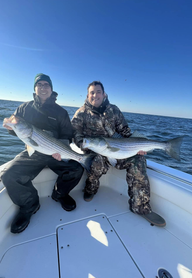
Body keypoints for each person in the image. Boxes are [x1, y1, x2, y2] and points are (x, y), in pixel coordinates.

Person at [71, 81, 166, 227]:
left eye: (98, 91)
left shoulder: (113, 110)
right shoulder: (81, 113)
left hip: (119, 151)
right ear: (87, 95)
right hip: (97, 152)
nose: (95, 95)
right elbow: (74, 133)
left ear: (104, 94)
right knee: (94, 162)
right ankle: (90, 188)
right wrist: (82, 144)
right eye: (92, 92)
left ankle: (140, 207)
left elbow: (125, 132)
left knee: (138, 160)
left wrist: (136, 146)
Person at [1, 73, 84, 233]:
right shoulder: (24, 108)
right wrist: (11, 128)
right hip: (32, 151)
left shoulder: (60, 112)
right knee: (8, 175)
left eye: (46, 84)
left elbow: (67, 134)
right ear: (35, 88)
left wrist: (61, 150)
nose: (43, 87)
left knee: (77, 169)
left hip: (55, 152)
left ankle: (60, 194)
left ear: (51, 89)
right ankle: (30, 205)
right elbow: (20, 131)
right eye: (39, 84)